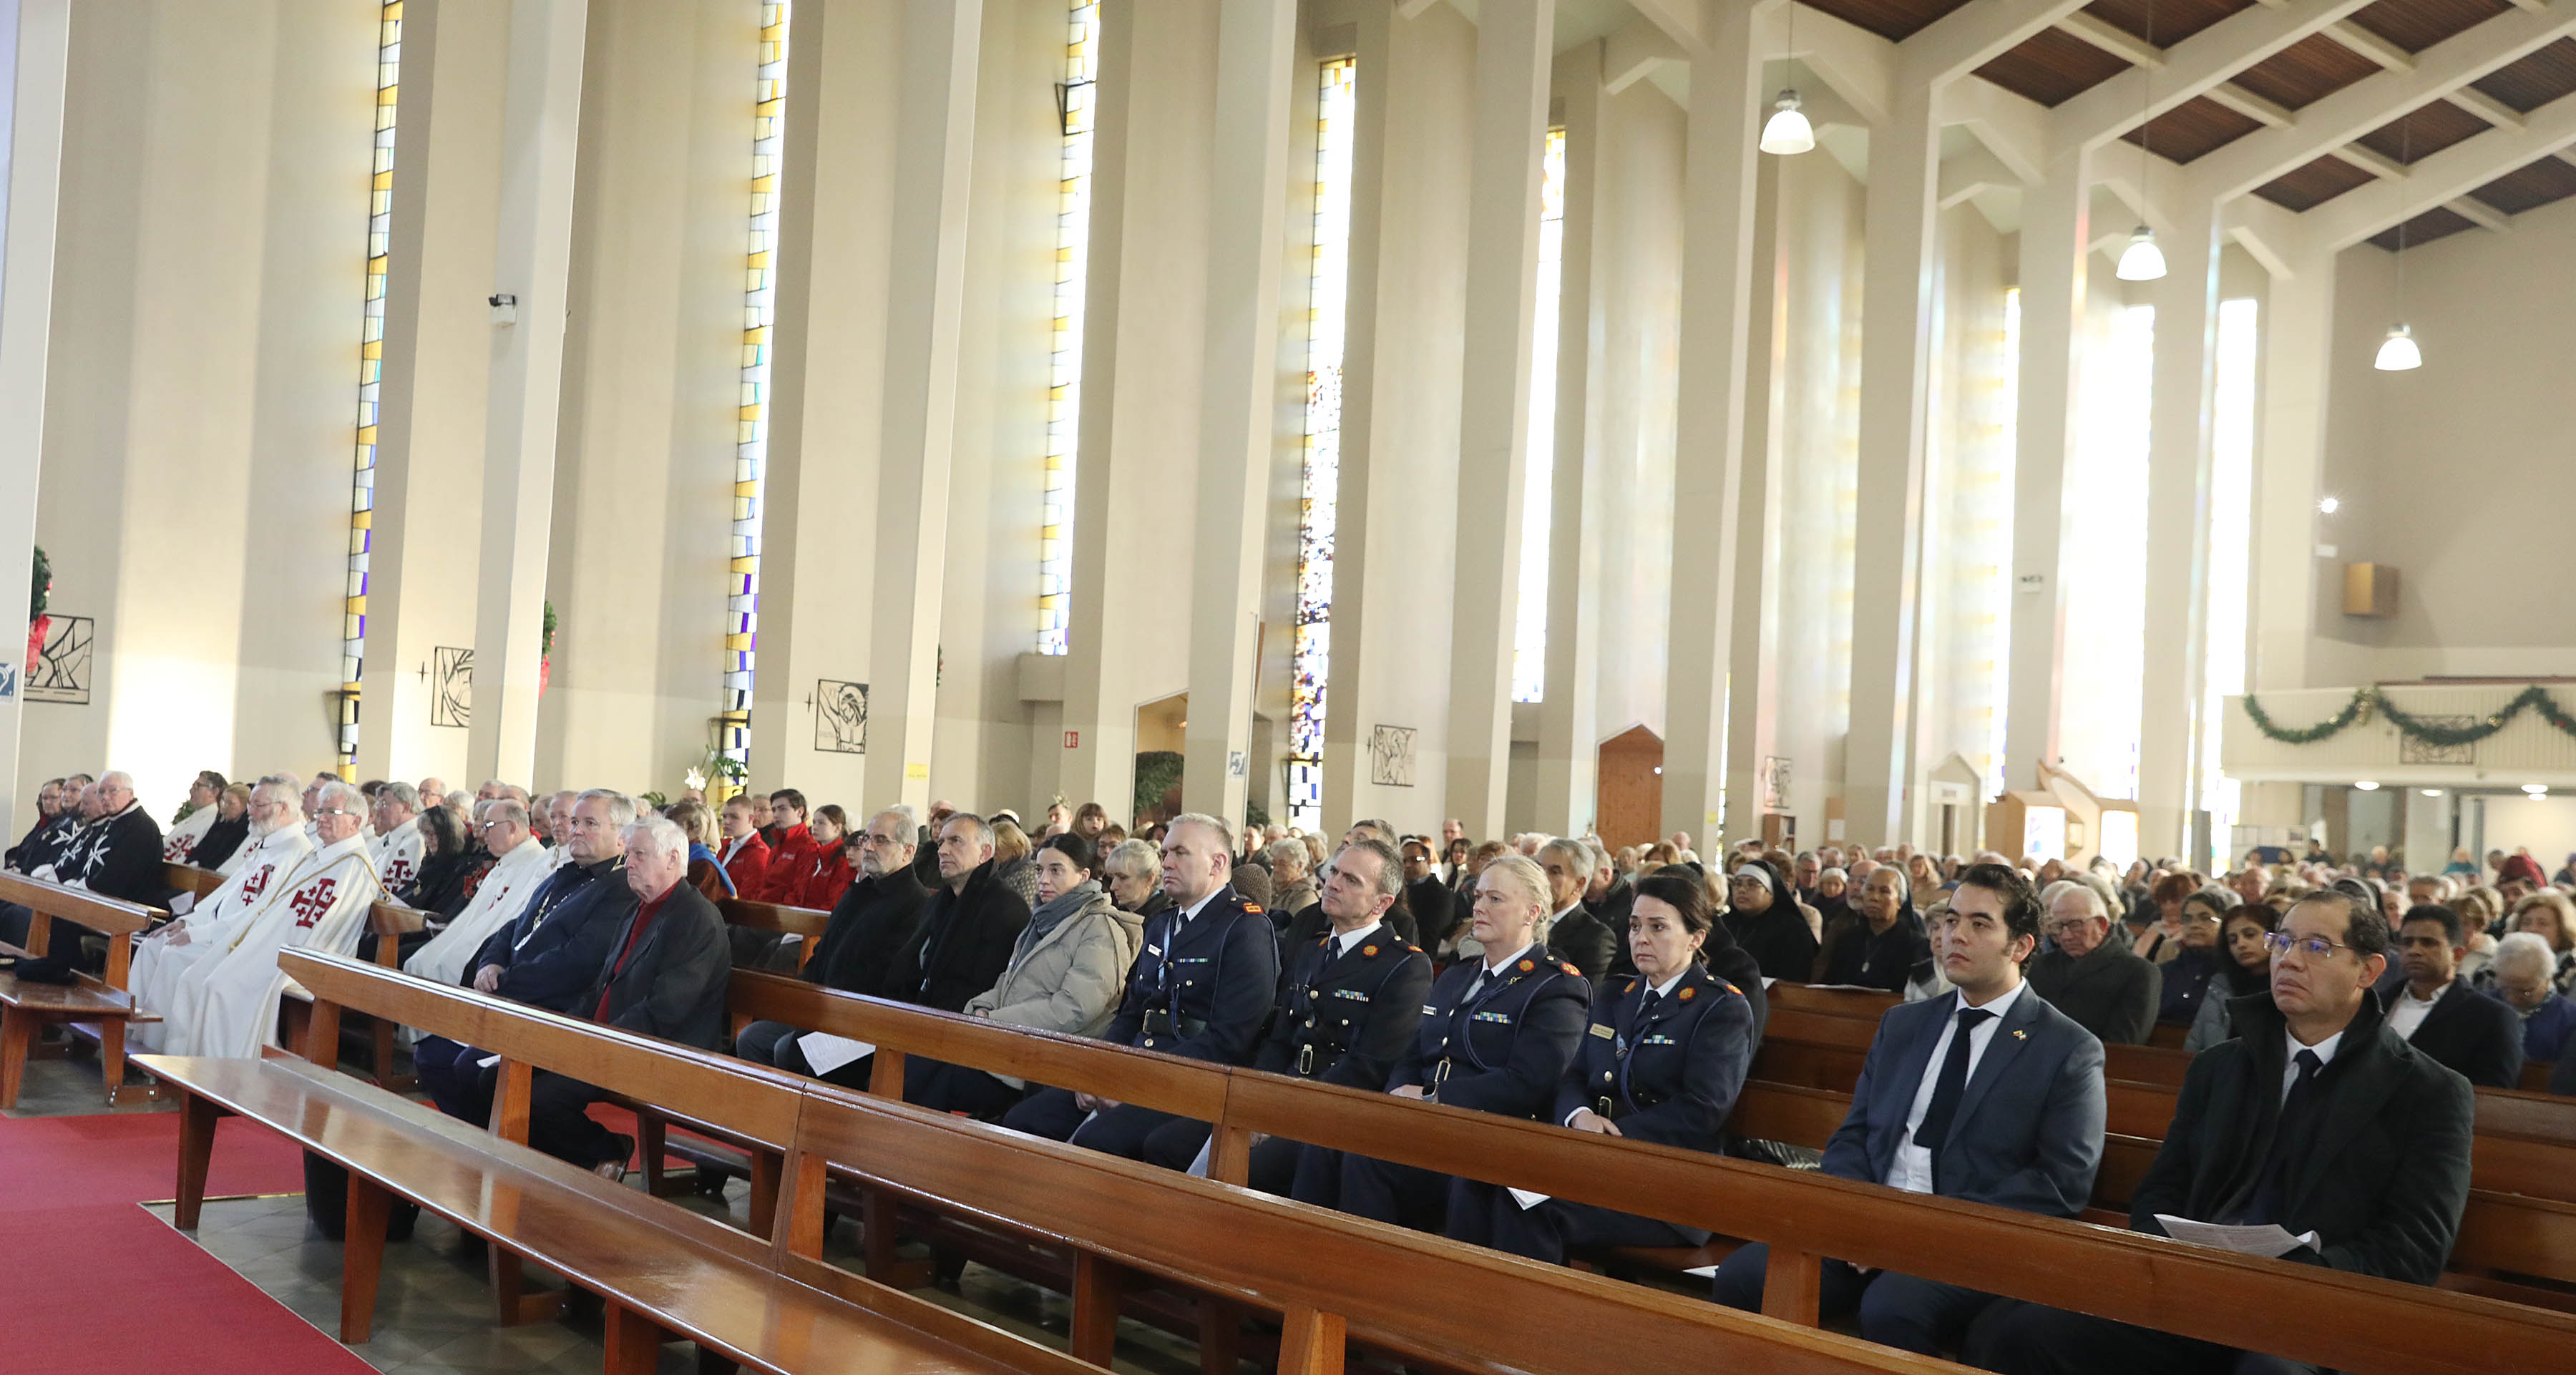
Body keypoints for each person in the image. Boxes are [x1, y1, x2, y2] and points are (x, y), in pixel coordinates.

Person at [1975, 889, 2477, 1375]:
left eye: (2316, 947)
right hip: (2195, 1289)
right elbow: (2162, 1187)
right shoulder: (2219, 1067)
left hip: (2317, 1310)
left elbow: (2416, 1245)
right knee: (2023, 1331)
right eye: (2283, 942)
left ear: (2368, 970)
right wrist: (2170, 1254)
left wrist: (2302, 1272)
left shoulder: (2428, 1091)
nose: (2289, 960)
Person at [1712, 862, 2104, 1356]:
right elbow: (1854, 1135)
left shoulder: (2066, 1048)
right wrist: (1860, 1218)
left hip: (1969, 1241)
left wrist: (1920, 1235)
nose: (1956, 935)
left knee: (1893, 1308)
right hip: (1869, 1224)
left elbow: (2060, 1182)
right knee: (1744, 1276)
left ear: (2021, 946)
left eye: (1980, 924)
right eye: (1951, 920)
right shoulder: (1904, 1025)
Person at [1450, 869, 1755, 1263]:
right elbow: (1575, 1075)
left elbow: (1703, 1108)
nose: (1641, 938)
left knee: (1530, 1210)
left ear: (1696, 938)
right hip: (1594, 1161)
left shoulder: (1719, 1008)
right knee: (1476, 1183)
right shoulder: (1616, 994)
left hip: (1666, 1184)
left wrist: (1610, 1138)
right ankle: (1466, 1297)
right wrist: (1578, 1116)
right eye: (1635, 926)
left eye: (1658, 927)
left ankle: (1530, 1304)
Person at [1293, 853, 1589, 1229]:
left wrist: (1433, 1096)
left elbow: (1528, 1082)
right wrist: (1401, 1091)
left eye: (1495, 899)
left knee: (1367, 1160)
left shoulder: (1554, 986)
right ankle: (1306, 1250)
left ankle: (1370, 1260)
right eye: (1478, 896)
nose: (1478, 907)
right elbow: (1414, 1052)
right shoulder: (1458, 976)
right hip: (1428, 1125)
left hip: (1489, 1134)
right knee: (1327, 1138)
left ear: (1531, 913)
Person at [1141, 838, 1430, 1190]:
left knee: (1240, 1171)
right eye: (1334, 872)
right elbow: (1279, 1041)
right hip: (1279, 1094)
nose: (1333, 883)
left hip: (1330, 1114)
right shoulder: (1314, 950)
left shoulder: (1403, 965)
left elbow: (1369, 1067)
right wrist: (1257, 1100)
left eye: (1351, 880)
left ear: (1382, 903)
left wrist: (1281, 1112)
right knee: (1165, 1145)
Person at [452, 816, 731, 1178]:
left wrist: (592, 1043)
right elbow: (602, 986)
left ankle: (606, 1150)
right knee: (494, 1079)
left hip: (658, 1049)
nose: (628, 864)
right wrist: (568, 1028)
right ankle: (549, 1168)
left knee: (541, 1099)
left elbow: (666, 1009)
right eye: (628, 855)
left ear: (673, 859)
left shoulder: (696, 919)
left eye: (639, 855)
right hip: (607, 1037)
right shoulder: (637, 908)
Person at [1003, 813, 1279, 1154]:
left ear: (1217, 863)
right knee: (1022, 1121)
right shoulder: (1162, 924)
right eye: (1165, 853)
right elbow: (1133, 1012)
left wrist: (1137, 1081)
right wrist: (1101, 1068)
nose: (1167, 863)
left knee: (1098, 1141)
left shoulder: (1244, 929)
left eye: (1180, 853)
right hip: (1136, 1063)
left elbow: (1230, 1038)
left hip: (1191, 1082)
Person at [414, 793, 643, 1119]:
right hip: (513, 999)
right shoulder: (565, 873)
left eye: (590, 823)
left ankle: (512, 1139)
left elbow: (576, 963)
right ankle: (481, 1136)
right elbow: (514, 926)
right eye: (575, 822)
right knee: (430, 1056)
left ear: (622, 836)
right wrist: (491, 962)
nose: (576, 830)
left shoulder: (621, 890)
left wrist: (504, 982)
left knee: (468, 1068)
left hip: (553, 1012)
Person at [908, 833, 1142, 1119]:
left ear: (1083, 876)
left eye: (1056, 871)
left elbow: (1075, 1008)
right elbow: (1008, 980)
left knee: (933, 1080)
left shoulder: (1100, 929)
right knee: (917, 1062)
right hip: (1008, 1042)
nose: (1044, 880)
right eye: (1040, 870)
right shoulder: (1042, 920)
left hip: (1048, 1057)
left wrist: (994, 1021)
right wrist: (981, 1008)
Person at [175, 780, 389, 1057]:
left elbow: (333, 930)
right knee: (206, 979)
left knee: (220, 987)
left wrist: (291, 964)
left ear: (356, 821)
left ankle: (230, 1071)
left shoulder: (355, 866)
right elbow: (272, 907)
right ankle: (200, 1069)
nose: (321, 818)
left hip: (301, 956)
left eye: (331, 813)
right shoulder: (317, 857)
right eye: (320, 811)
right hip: (274, 948)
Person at [132, 780, 309, 1045]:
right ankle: (136, 1034)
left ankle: (167, 1048)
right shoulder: (268, 843)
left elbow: (261, 913)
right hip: (216, 930)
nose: (251, 812)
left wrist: (200, 933)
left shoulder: (296, 853)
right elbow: (227, 893)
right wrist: (188, 922)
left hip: (236, 941)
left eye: (258, 806)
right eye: (251, 805)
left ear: (283, 809)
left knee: (173, 955)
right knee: (152, 945)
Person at [401, 801, 555, 988]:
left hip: (486, 954)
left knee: (434, 966)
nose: (483, 832)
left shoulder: (533, 865)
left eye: (489, 825)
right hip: (465, 943)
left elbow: (504, 921)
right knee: (417, 963)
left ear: (512, 827)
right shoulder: (508, 860)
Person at [2386, 904, 2524, 1088]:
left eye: (2428, 943)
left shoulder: (2492, 1017)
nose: (2414, 950)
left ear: (2458, 954)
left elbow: (2495, 1094)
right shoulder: (2375, 1003)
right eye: (2407, 942)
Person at [2026, 881, 2161, 1046]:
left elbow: (2123, 1044)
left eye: (2075, 925)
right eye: (2059, 926)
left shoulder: (2138, 973)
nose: (2066, 936)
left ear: (2102, 925)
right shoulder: (2039, 966)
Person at [1813, 866, 1932, 995]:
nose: (1874, 897)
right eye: (1870, 889)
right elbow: (1829, 986)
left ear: (1900, 901)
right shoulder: (1847, 939)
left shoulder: (1916, 945)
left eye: (1884, 891)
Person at [2182, 904, 2277, 1052]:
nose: (2241, 944)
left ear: (2275, 937)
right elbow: (2195, 1043)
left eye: (2250, 935)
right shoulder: (2220, 985)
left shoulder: (2288, 985)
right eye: (2233, 940)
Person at [1723, 856, 1820, 983]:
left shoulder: (1794, 930)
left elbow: (1794, 981)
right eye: (1738, 884)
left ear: (1771, 893)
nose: (1742, 890)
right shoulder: (1723, 924)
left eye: (1752, 885)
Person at [2487, 931, 2576, 1063]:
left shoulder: (2569, 1019)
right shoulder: (2483, 1006)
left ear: (2548, 980)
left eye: (2525, 991)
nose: (2512, 998)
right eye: (2505, 988)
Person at [2154, 889, 2232, 1027]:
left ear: (2224, 924)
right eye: (2187, 919)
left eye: (2205, 918)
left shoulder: (2231, 973)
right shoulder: (2163, 973)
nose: (2194, 925)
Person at [2478, 889, 2576, 994]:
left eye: (2543, 923)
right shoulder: (2493, 969)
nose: (2532, 929)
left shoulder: (2571, 973)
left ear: (2562, 931)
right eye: (2526, 923)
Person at [779, 804, 855, 910]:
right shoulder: (810, 855)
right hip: (799, 915)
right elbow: (796, 890)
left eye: (821, 823)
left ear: (838, 828)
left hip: (820, 917)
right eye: (814, 822)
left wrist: (807, 915)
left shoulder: (844, 860)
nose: (815, 827)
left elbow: (835, 901)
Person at [665, 798, 736, 903]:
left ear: (689, 828)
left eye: (670, 827)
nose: (664, 833)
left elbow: (689, 903)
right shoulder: (679, 852)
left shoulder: (702, 864)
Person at [1401, 838, 1462, 959]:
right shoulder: (1397, 891)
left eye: (1414, 860)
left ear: (1428, 861)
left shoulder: (1441, 894)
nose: (1407, 865)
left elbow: (1431, 935)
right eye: (1404, 861)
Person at [753, 789, 817, 901]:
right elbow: (765, 884)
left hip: (782, 910)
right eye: (774, 810)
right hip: (766, 906)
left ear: (800, 812)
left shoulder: (809, 847)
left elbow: (800, 892)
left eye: (783, 809)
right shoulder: (778, 845)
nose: (776, 815)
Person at [366, 782, 426, 893]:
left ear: (406, 807)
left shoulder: (420, 839)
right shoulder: (385, 839)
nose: (378, 810)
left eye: (385, 804)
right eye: (379, 804)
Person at [160, 770, 228, 862]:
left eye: (197, 786)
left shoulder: (213, 822)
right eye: (193, 785)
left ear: (214, 792)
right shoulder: (196, 817)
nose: (191, 790)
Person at [186, 783, 254, 872]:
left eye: (230, 803)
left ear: (245, 806)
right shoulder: (220, 825)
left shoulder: (246, 832)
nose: (224, 806)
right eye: (223, 801)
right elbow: (201, 849)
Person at [717, 796, 771, 898]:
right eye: (724, 817)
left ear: (751, 818)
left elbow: (749, 898)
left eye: (735, 817)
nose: (727, 822)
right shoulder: (725, 846)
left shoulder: (759, 853)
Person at [1266, 838, 1318, 932]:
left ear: (1299, 866)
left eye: (1283, 865)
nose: (1276, 869)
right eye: (1274, 864)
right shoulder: (1271, 885)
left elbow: (1292, 932)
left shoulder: (1306, 895)